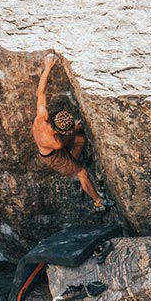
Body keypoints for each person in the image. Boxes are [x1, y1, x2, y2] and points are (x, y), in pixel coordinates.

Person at [33, 52, 115, 212]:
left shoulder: (41, 117)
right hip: (52, 157)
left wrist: (47, 67)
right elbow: (63, 143)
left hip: (53, 148)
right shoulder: (55, 142)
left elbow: (40, 93)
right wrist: (74, 129)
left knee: (81, 140)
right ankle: (98, 201)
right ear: (59, 131)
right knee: (82, 172)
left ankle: (73, 163)